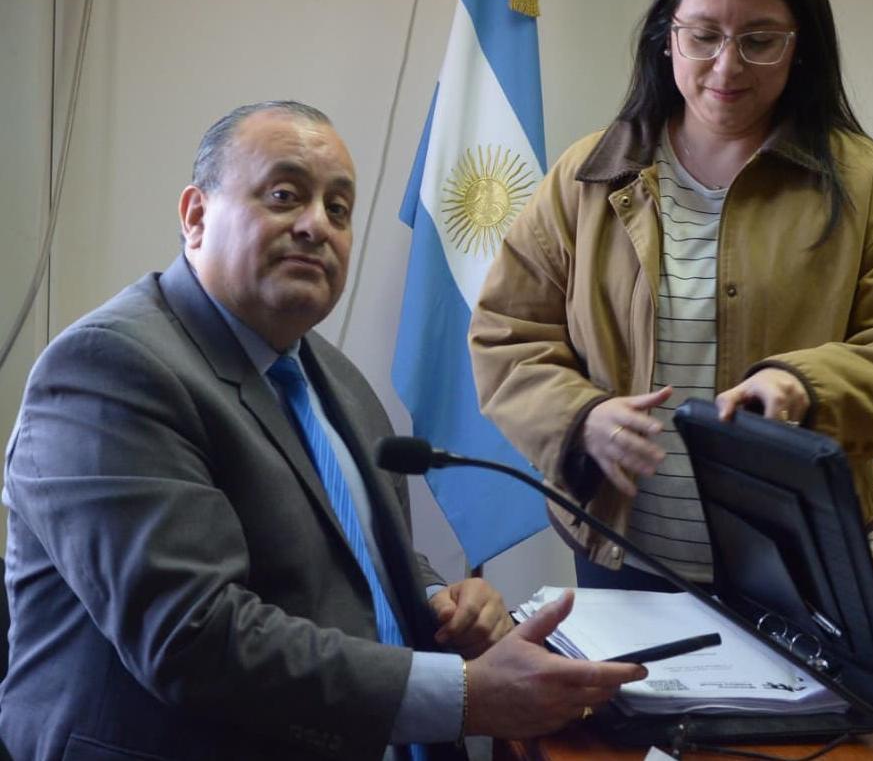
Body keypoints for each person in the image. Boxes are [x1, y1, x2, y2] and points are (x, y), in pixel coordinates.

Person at [0, 101, 644, 760]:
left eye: (339, 209)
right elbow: (193, 637)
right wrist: (465, 695)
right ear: (195, 216)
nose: (316, 225)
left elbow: (351, 549)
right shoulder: (110, 371)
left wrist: (437, 598)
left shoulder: (329, 373)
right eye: (284, 196)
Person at [469, 0, 873, 591]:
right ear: (666, 37)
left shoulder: (864, 186)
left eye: (759, 40)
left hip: (794, 566)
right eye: (703, 36)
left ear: (800, 46)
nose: (727, 66)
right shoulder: (590, 176)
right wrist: (579, 417)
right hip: (622, 553)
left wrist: (805, 389)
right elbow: (506, 334)